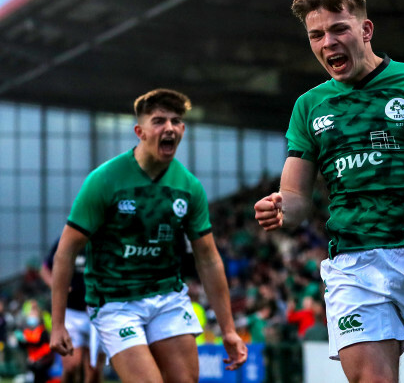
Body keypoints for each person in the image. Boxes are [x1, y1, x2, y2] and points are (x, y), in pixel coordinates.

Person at [254, 0, 404, 383]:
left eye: (339, 28)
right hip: (353, 264)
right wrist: (279, 208)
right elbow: (295, 196)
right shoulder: (309, 106)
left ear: (365, 29)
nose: (328, 43)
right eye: (316, 35)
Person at [50, 88, 248, 383]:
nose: (169, 128)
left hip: (167, 298)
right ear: (139, 131)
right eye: (158, 121)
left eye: (176, 121)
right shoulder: (104, 180)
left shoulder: (188, 186)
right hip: (116, 302)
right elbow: (65, 251)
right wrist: (57, 324)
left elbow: (208, 259)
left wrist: (229, 330)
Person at [41, 239, 106, 383]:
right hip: (71, 312)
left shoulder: (104, 239)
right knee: (71, 366)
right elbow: (45, 268)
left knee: (94, 371)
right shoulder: (66, 240)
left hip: (98, 314)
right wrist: (56, 285)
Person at [15, 300, 55, 383]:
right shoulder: (26, 330)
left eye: (34, 312)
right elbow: (23, 345)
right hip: (33, 360)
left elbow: (39, 342)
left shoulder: (42, 329)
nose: (32, 316)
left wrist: (26, 340)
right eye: (31, 313)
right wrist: (20, 340)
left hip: (43, 359)